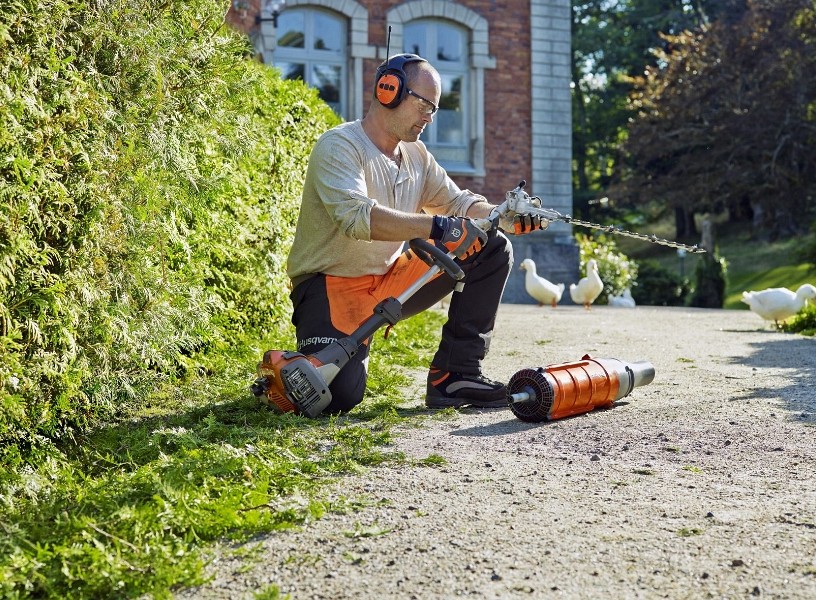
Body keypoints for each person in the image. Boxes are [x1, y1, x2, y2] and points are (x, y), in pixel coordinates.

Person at [285, 53, 546, 414]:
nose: (429, 116)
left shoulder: (416, 156)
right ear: (388, 90)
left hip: (390, 281)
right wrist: (438, 226)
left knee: (490, 244)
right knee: (339, 397)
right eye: (424, 104)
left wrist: (504, 216)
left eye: (434, 108)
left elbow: (457, 203)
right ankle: (308, 357)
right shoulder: (340, 146)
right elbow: (357, 218)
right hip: (329, 286)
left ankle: (455, 376)